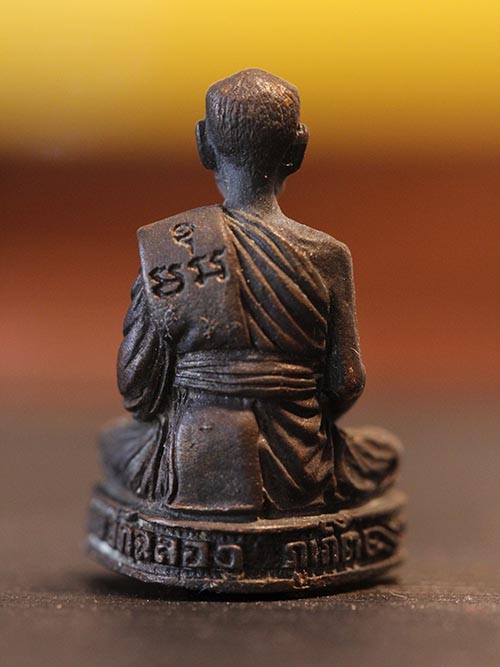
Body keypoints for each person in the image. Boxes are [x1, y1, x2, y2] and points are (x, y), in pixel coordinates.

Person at [101, 69, 401, 517]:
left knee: (113, 439)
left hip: (190, 459)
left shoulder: (172, 247)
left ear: (203, 143)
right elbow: (346, 381)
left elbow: (137, 389)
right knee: (382, 451)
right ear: (298, 148)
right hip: (300, 465)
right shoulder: (328, 255)